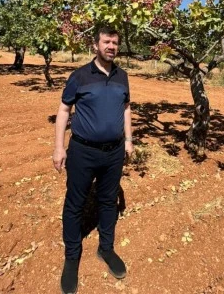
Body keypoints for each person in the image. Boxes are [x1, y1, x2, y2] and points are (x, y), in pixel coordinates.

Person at [52, 26, 134, 294]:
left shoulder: (123, 76)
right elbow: (64, 110)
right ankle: (72, 257)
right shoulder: (79, 76)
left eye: (115, 42)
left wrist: (129, 140)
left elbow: (126, 108)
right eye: (106, 42)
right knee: (75, 203)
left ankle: (106, 249)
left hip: (114, 152)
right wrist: (58, 148)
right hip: (82, 151)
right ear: (96, 45)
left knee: (108, 201)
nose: (111, 46)